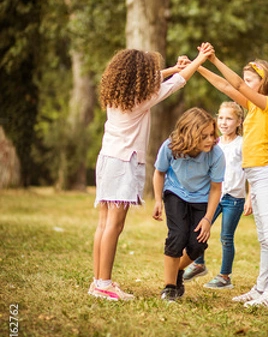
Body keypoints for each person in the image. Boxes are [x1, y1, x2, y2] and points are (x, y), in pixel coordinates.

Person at [89, 43, 214, 301]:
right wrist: (198, 60)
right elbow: (177, 82)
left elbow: (158, 78)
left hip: (107, 160)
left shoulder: (118, 94)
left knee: (103, 224)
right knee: (115, 224)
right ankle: (104, 284)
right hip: (124, 162)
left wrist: (171, 68)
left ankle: (98, 281)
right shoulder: (141, 99)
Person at [195, 49, 268, 309]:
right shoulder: (252, 106)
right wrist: (199, 66)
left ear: (264, 82)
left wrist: (213, 59)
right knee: (264, 238)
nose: (244, 84)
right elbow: (225, 85)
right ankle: (261, 288)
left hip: (265, 175)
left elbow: (233, 82)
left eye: (250, 80)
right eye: (245, 80)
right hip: (255, 178)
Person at [153, 107, 226, 302]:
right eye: (204, 136)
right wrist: (157, 200)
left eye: (212, 134)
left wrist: (208, 219)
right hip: (175, 193)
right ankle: (169, 287)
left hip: (201, 198)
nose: (210, 139)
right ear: (191, 134)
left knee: (197, 245)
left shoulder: (216, 154)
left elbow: (215, 189)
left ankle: (176, 270)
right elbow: (159, 173)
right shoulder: (170, 147)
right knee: (177, 237)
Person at [183, 101, 252, 289]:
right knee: (199, 230)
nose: (223, 122)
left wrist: (250, 197)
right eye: (220, 117)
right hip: (213, 196)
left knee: (226, 237)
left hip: (234, 198)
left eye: (229, 118)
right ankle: (198, 264)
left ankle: (224, 277)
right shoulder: (214, 143)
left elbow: (250, 171)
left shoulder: (242, 144)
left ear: (239, 121)